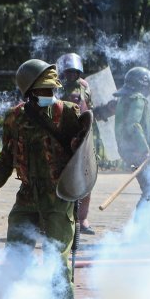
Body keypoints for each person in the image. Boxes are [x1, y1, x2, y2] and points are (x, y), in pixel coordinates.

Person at [0, 59, 84, 299]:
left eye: (52, 89)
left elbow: (84, 159)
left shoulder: (67, 113)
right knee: (15, 256)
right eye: (43, 90)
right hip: (27, 197)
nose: (49, 94)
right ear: (29, 92)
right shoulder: (15, 118)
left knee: (56, 259)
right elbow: (6, 158)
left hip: (58, 197)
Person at [56, 52, 96, 234]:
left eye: (74, 71)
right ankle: (54, 219)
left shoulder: (84, 86)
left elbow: (89, 108)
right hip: (62, 136)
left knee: (85, 177)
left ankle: (82, 219)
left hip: (82, 137)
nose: (72, 74)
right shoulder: (56, 87)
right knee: (59, 178)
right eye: (68, 71)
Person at [114, 66, 150, 212]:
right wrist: (145, 150)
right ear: (143, 84)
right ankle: (140, 225)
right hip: (137, 152)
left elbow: (143, 126)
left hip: (127, 150)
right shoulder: (138, 99)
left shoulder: (125, 99)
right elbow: (133, 125)